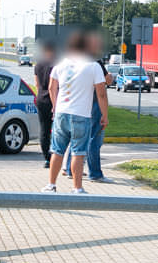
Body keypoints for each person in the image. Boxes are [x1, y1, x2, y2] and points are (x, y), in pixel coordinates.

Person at [41, 31, 108, 194]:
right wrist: (104, 115)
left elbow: (51, 87)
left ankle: (51, 184)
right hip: (81, 115)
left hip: (61, 113)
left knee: (57, 150)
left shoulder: (61, 64)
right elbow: (101, 93)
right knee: (78, 152)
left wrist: (55, 106)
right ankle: (77, 187)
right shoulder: (93, 66)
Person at [64, 56, 114, 182]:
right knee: (94, 139)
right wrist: (105, 114)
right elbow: (105, 84)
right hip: (94, 103)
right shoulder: (95, 62)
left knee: (77, 137)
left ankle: (70, 169)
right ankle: (95, 173)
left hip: (79, 103)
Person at [34, 41, 57, 168]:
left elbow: (37, 84)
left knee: (44, 129)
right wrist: (55, 104)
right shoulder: (56, 65)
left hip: (41, 100)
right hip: (53, 100)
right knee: (57, 130)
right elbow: (53, 87)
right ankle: (55, 156)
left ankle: (46, 158)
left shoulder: (38, 65)